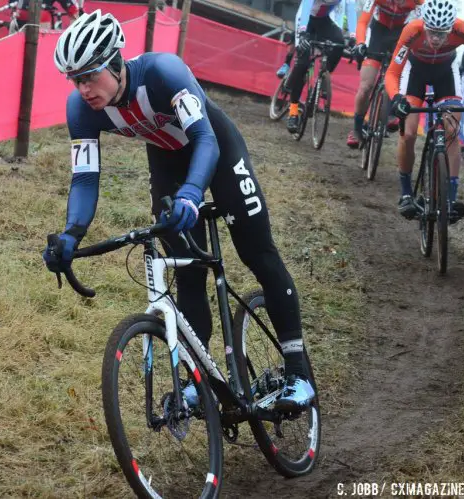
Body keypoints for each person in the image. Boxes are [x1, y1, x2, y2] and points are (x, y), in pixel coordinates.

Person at [43, 10, 315, 413]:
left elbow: (205, 138)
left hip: (217, 150)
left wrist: (191, 193)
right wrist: (71, 234)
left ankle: (299, 371)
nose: (83, 88)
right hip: (168, 161)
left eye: (90, 75)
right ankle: (199, 380)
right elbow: (85, 179)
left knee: (257, 253)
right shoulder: (82, 110)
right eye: (75, 79)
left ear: (116, 62)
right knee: (186, 271)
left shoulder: (162, 72)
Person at [386, 0, 464, 221]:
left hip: (446, 72)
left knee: (452, 129)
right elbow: (392, 72)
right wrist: (396, 98)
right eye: (432, 32)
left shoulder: (463, 28)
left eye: (442, 34)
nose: (436, 39)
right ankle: (406, 192)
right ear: (424, 25)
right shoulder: (412, 29)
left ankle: (450, 198)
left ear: (451, 27)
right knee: (408, 134)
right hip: (415, 70)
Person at [346, 0, 422, 148]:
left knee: (392, 80)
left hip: (400, 35)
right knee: (366, 86)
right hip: (377, 33)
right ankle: (356, 128)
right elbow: (363, 22)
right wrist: (360, 43)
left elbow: (422, 25)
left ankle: (387, 116)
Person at [286, 0, 358, 133]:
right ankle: (293, 111)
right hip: (305, 18)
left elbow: (351, 10)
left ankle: (325, 76)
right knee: (303, 62)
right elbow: (307, 6)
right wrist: (302, 33)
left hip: (323, 20)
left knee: (339, 44)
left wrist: (353, 36)